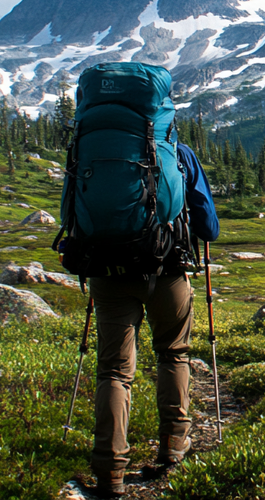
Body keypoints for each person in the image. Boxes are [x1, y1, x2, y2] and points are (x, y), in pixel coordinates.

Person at [89, 141, 219, 498]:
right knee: (173, 354)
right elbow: (209, 227)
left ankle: (110, 468)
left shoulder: (90, 147)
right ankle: (174, 445)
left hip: (108, 271)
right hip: (167, 269)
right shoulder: (177, 151)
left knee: (114, 371)